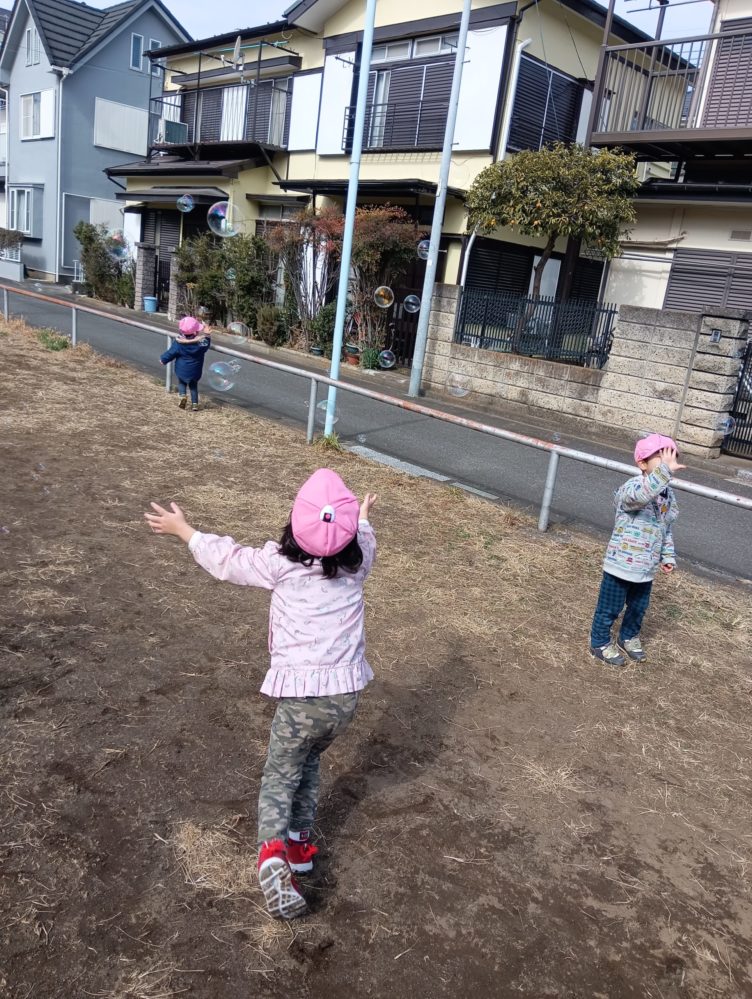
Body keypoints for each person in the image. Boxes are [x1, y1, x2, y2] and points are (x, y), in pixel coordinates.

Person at [144, 468, 377, 919]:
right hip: (345, 700)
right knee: (309, 762)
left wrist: (184, 531)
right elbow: (363, 536)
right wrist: (361, 518)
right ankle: (300, 850)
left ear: (294, 524)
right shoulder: (358, 562)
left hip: (303, 699)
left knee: (280, 774)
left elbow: (229, 560)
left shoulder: (279, 564)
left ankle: (271, 855)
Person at [589, 433, 684, 667]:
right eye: (662, 459)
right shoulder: (633, 487)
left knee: (638, 607)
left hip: (646, 568)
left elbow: (665, 528)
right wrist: (664, 472)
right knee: (609, 607)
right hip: (621, 564)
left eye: (672, 458)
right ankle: (599, 642)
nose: (668, 464)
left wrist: (667, 555)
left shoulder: (667, 495)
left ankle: (628, 636)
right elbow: (641, 496)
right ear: (642, 463)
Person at [160, 316, 211, 411]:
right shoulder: (200, 344)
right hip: (195, 371)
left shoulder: (179, 343)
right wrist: (207, 335)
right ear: (195, 332)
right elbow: (206, 343)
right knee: (193, 386)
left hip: (181, 369)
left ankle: (183, 396)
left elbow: (171, 353)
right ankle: (195, 404)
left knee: (182, 383)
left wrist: (163, 359)